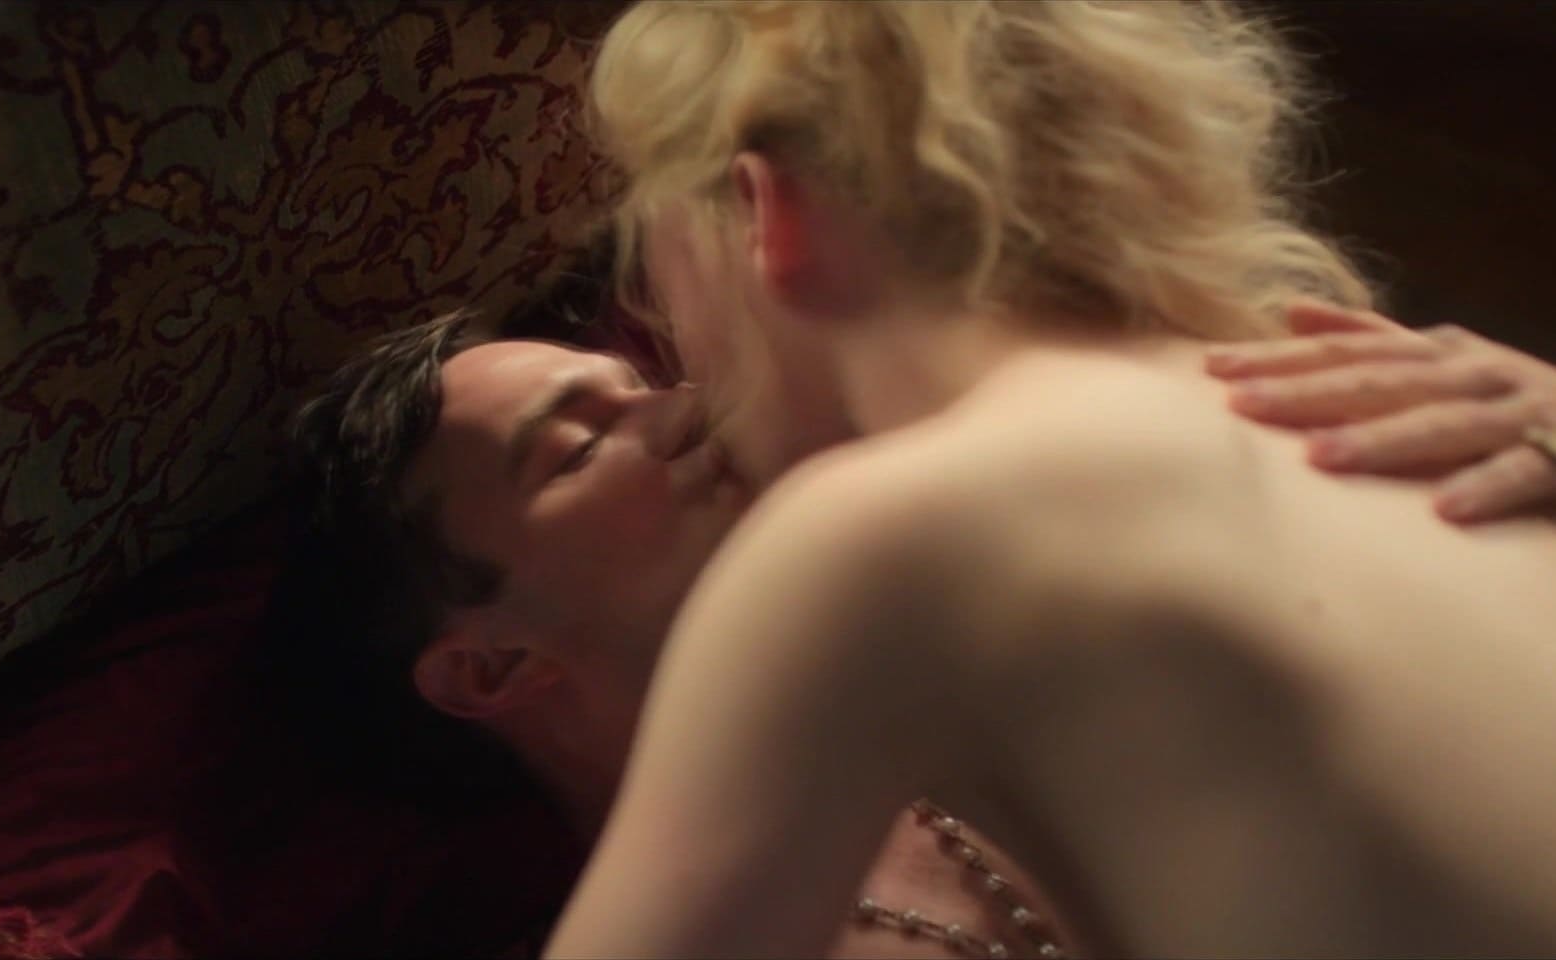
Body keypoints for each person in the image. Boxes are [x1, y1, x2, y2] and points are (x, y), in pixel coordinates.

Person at [542, 2, 1556, 957]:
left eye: (658, 259)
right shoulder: (1402, 414)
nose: (679, 367)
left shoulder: (885, 526)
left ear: (771, 214)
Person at [281, 275, 1556, 957]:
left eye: (640, 381)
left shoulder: (1007, 632)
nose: (678, 408)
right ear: (489, 666)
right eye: (577, 446)